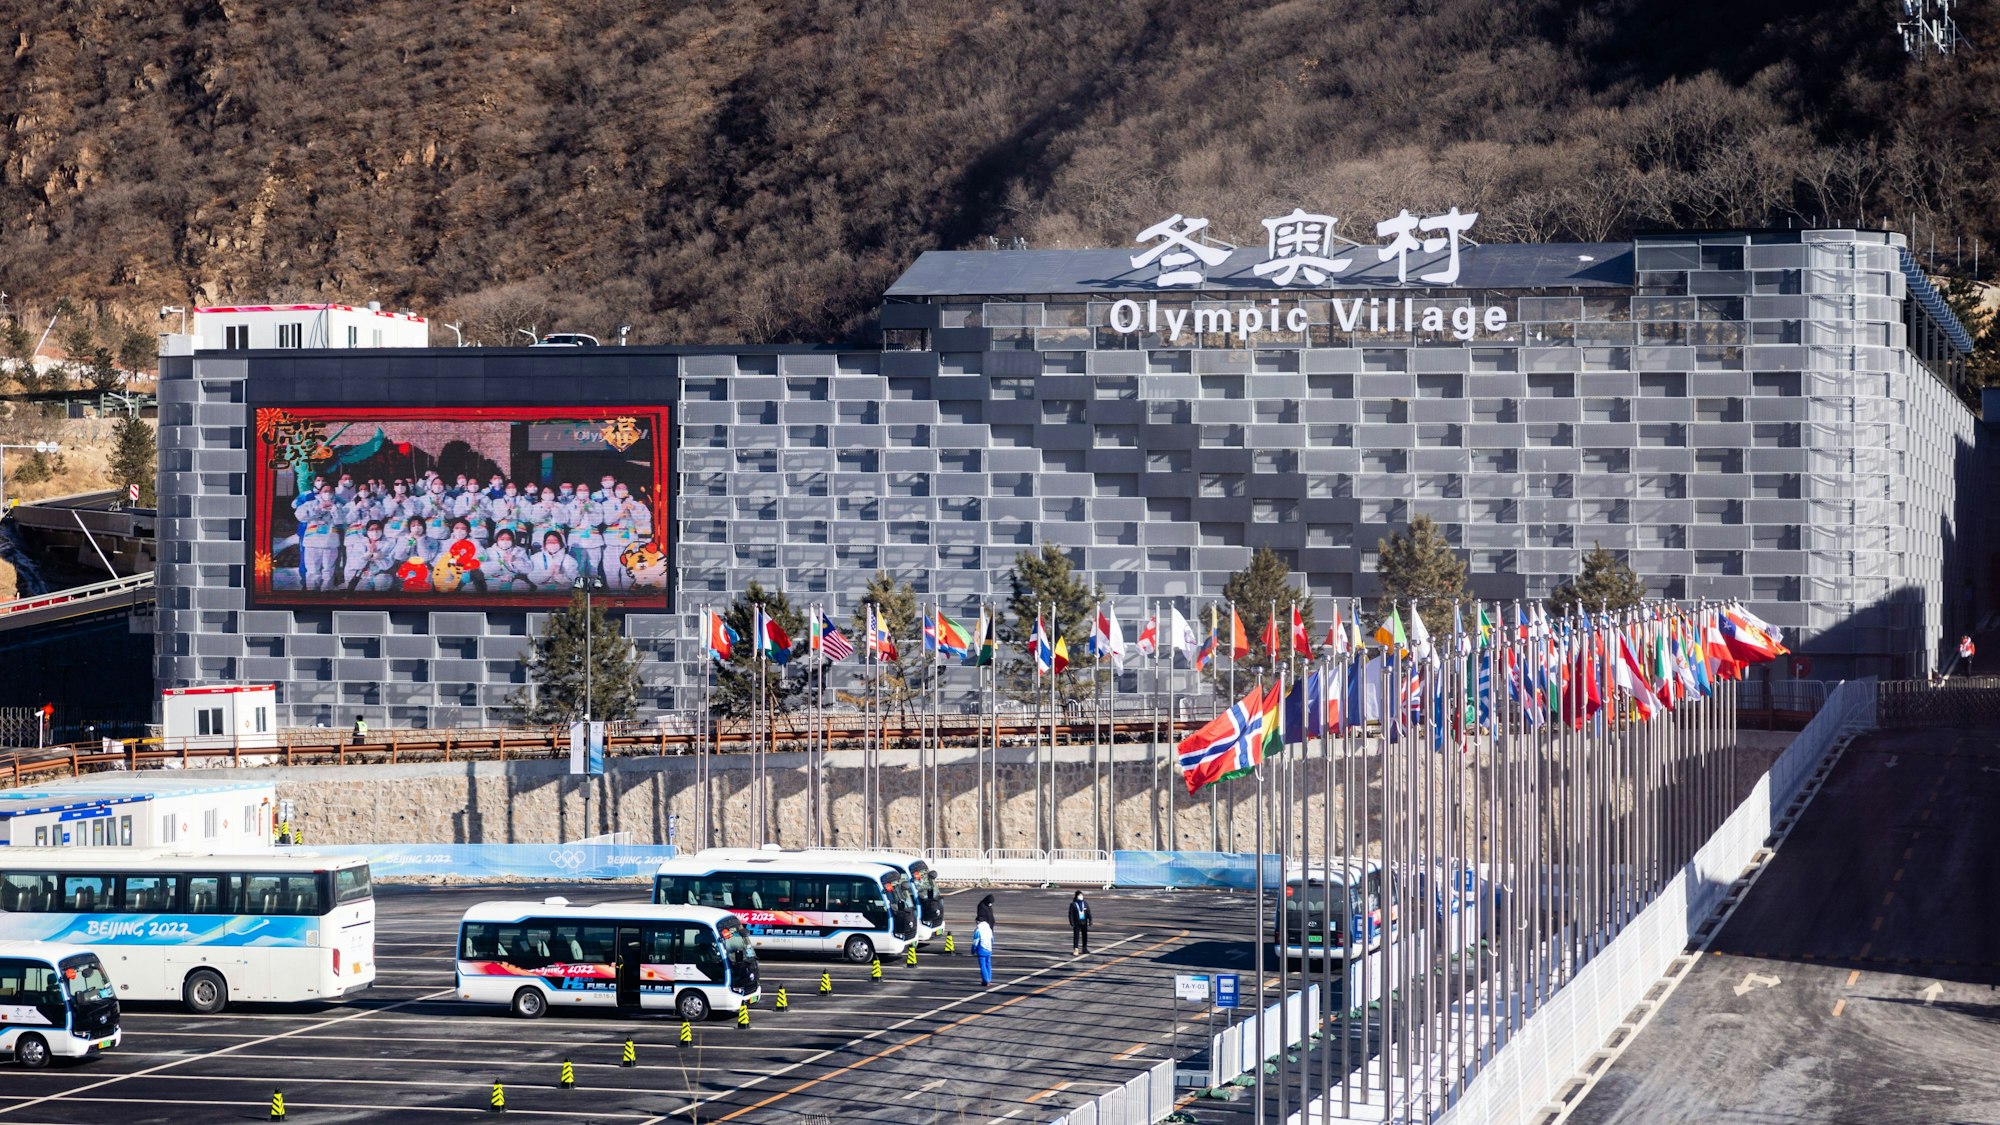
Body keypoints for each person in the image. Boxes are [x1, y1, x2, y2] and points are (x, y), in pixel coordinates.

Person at [973, 894, 996, 987]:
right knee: (988, 963)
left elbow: (976, 941)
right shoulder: (988, 930)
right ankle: (989, 979)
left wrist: (973, 950)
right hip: (989, 948)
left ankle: (986, 980)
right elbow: (992, 939)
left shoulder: (978, 930)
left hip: (982, 949)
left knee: (983, 964)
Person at [1069, 890, 1092, 955]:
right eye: (1079, 895)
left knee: (1085, 935)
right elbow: (1071, 914)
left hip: (1084, 922)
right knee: (1076, 936)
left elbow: (1088, 912)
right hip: (1076, 922)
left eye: (1081, 895)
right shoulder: (1073, 904)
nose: (1081, 896)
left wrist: (1090, 920)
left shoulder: (1085, 903)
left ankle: (1084, 948)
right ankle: (1076, 949)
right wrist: (1071, 922)